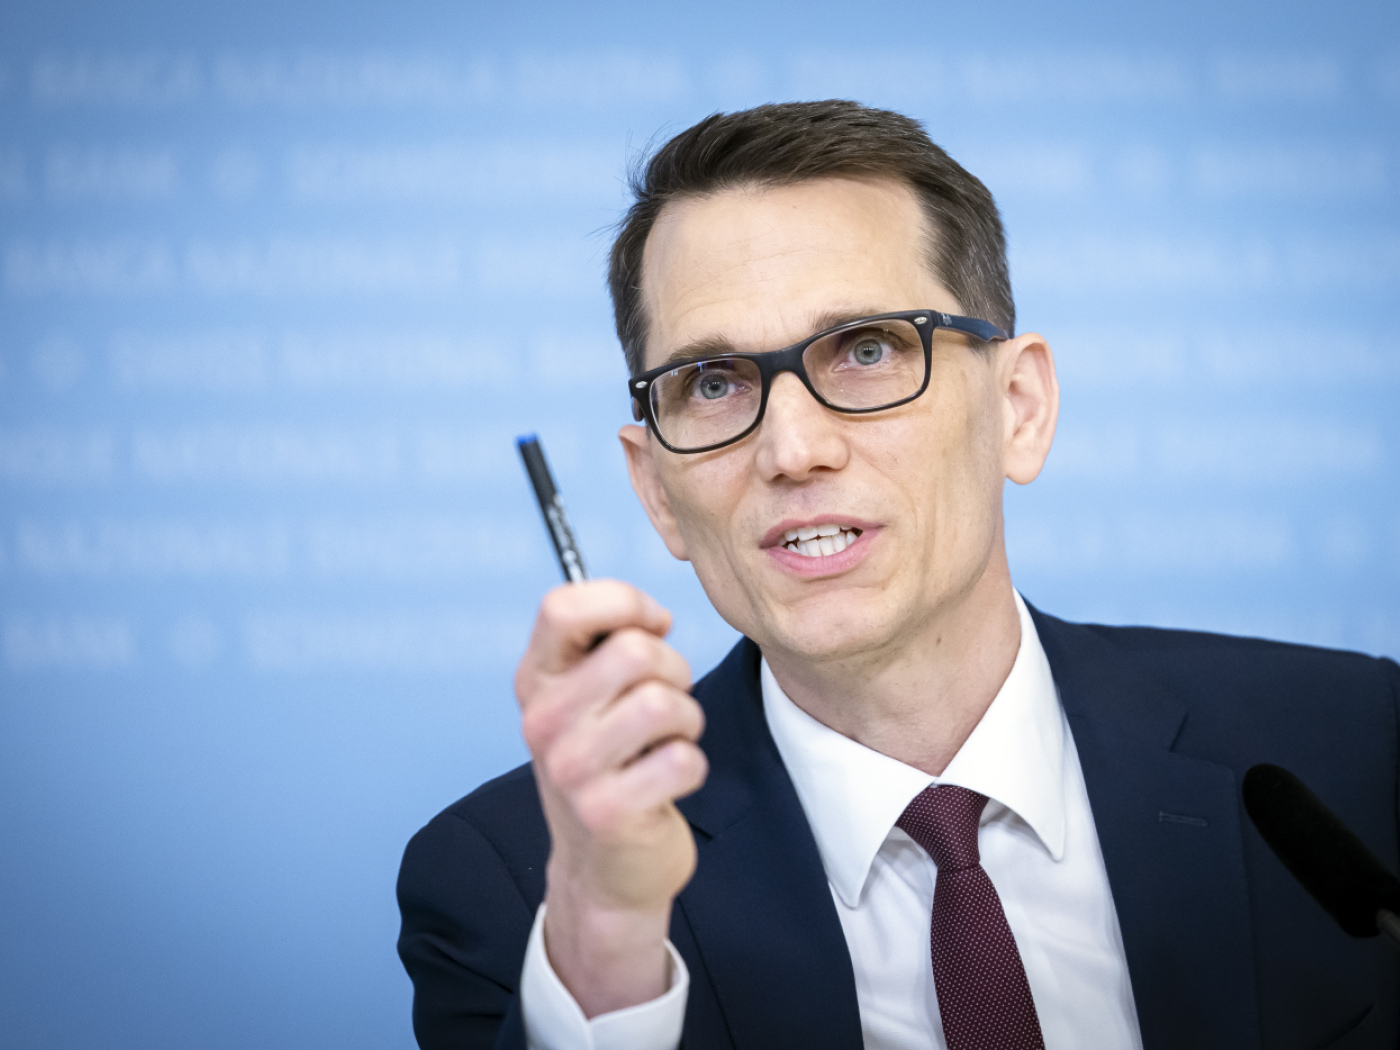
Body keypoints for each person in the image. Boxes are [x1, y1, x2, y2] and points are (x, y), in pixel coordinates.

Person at [396, 101, 1400, 1050]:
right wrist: (607, 937)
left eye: (868, 349)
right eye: (713, 382)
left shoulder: (1354, 748)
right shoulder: (522, 894)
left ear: (1018, 407)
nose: (792, 449)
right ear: (656, 490)